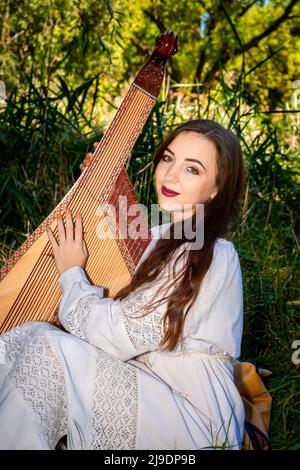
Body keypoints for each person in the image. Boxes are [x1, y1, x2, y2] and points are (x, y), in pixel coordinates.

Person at [0, 118, 246, 450]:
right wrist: (100, 185)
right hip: (154, 389)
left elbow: (122, 333)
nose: (170, 175)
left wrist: (73, 275)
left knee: (50, 349)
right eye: (167, 158)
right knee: (25, 337)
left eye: (192, 170)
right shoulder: (165, 236)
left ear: (217, 187)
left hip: (196, 424)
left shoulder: (214, 252)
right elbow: (131, 257)